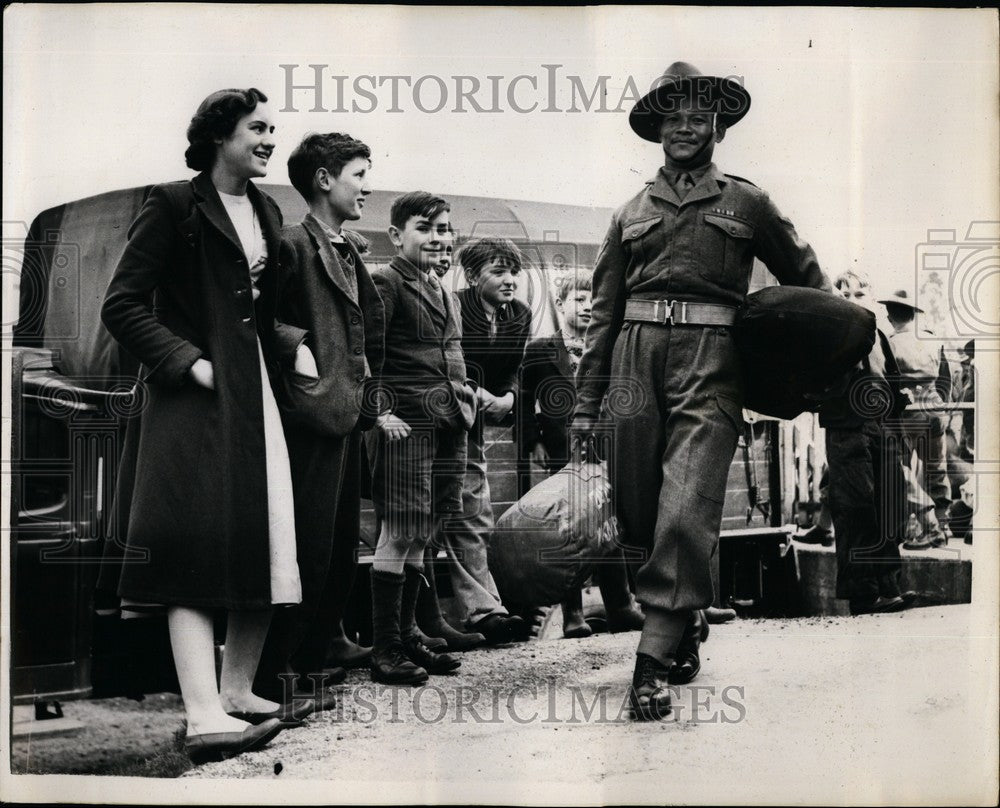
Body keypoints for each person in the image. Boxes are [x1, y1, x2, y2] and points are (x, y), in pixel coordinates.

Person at [571, 62, 831, 720]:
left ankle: (651, 656)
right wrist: (584, 405)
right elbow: (603, 314)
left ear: (719, 125)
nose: (685, 125)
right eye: (672, 116)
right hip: (632, 364)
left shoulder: (748, 201)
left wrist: (813, 365)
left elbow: (808, 284)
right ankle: (682, 619)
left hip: (712, 364)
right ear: (657, 129)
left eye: (699, 114)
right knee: (638, 513)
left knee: (686, 507)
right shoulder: (629, 212)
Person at [100, 88, 312, 762]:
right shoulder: (173, 203)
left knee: (269, 533)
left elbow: (260, 307)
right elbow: (123, 305)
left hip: (255, 396)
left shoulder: (268, 208)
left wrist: (290, 344)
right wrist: (188, 364)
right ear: (219, 135)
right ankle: (201, 717)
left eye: (274, 128)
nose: (270, 139)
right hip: (191, 401)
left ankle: (239, 692)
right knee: (191, 552)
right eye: (258, 128)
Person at [253, 133, 385, 704]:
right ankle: (276, 679)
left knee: (334, 550)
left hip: (344, 417)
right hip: (309, 419)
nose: (367, 186)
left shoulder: (347, 247)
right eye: (359, 173)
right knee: (303, 548)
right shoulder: (289, 243)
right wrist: (297, 347)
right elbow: (253, 313)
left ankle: (311, 668)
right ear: (324, 180)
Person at [367, 191, 476, 684]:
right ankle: (386, 649)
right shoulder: (385, 283)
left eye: (445, 229)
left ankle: (409, 635)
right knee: (400, 532)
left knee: (424, 532)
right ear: (396, 236)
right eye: (426, 229)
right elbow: (363, 354)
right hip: (406, 426)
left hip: (449, 425)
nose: (439, 238)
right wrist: (380, 411)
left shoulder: (445, 291)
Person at [518, 273, 644, 638]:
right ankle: (572, 613)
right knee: (567, 529)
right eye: (579, 300)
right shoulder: (540, 350)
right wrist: (533, 442)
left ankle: (620, 606)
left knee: (609, 525)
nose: (588, 306)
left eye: (593, 300)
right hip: (562, 452)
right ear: (560, 305)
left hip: (605, 450)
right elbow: (525, 402)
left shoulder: (608, 347)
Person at [438, 237, 534, 645]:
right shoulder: (452, 306)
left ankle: (485, 612)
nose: (509, 280)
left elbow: (513, 368)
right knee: (421, 522)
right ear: (473, 276)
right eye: (498, 271)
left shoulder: (520, 314)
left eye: (513, 272)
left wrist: (509, 397)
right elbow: (444, 361)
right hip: (436, 421)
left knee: (474, 514)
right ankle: (429, 621)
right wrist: (477, 394)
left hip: (470, 429)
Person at [819, 271, 912, 614]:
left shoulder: (880, 337)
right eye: (844, 294)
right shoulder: (828, 336)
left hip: (880, 426)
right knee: (856, 505)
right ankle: (863, 593)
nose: (852, 300)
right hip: (846, 426)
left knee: (888, 503)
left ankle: (890, 585)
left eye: (859, 294)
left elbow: (892, 381)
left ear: (871, 299)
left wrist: (896, 419)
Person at [878, 289, 952, 548]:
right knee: (937, 470)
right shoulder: (933, 340)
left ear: (889, 316)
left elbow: (887, 384)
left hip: (906, 415)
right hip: (935, 411)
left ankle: (923, 526)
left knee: (901, 471)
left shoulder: (889, 343)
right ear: (913, 315)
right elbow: (946, 379)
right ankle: (942, 528)